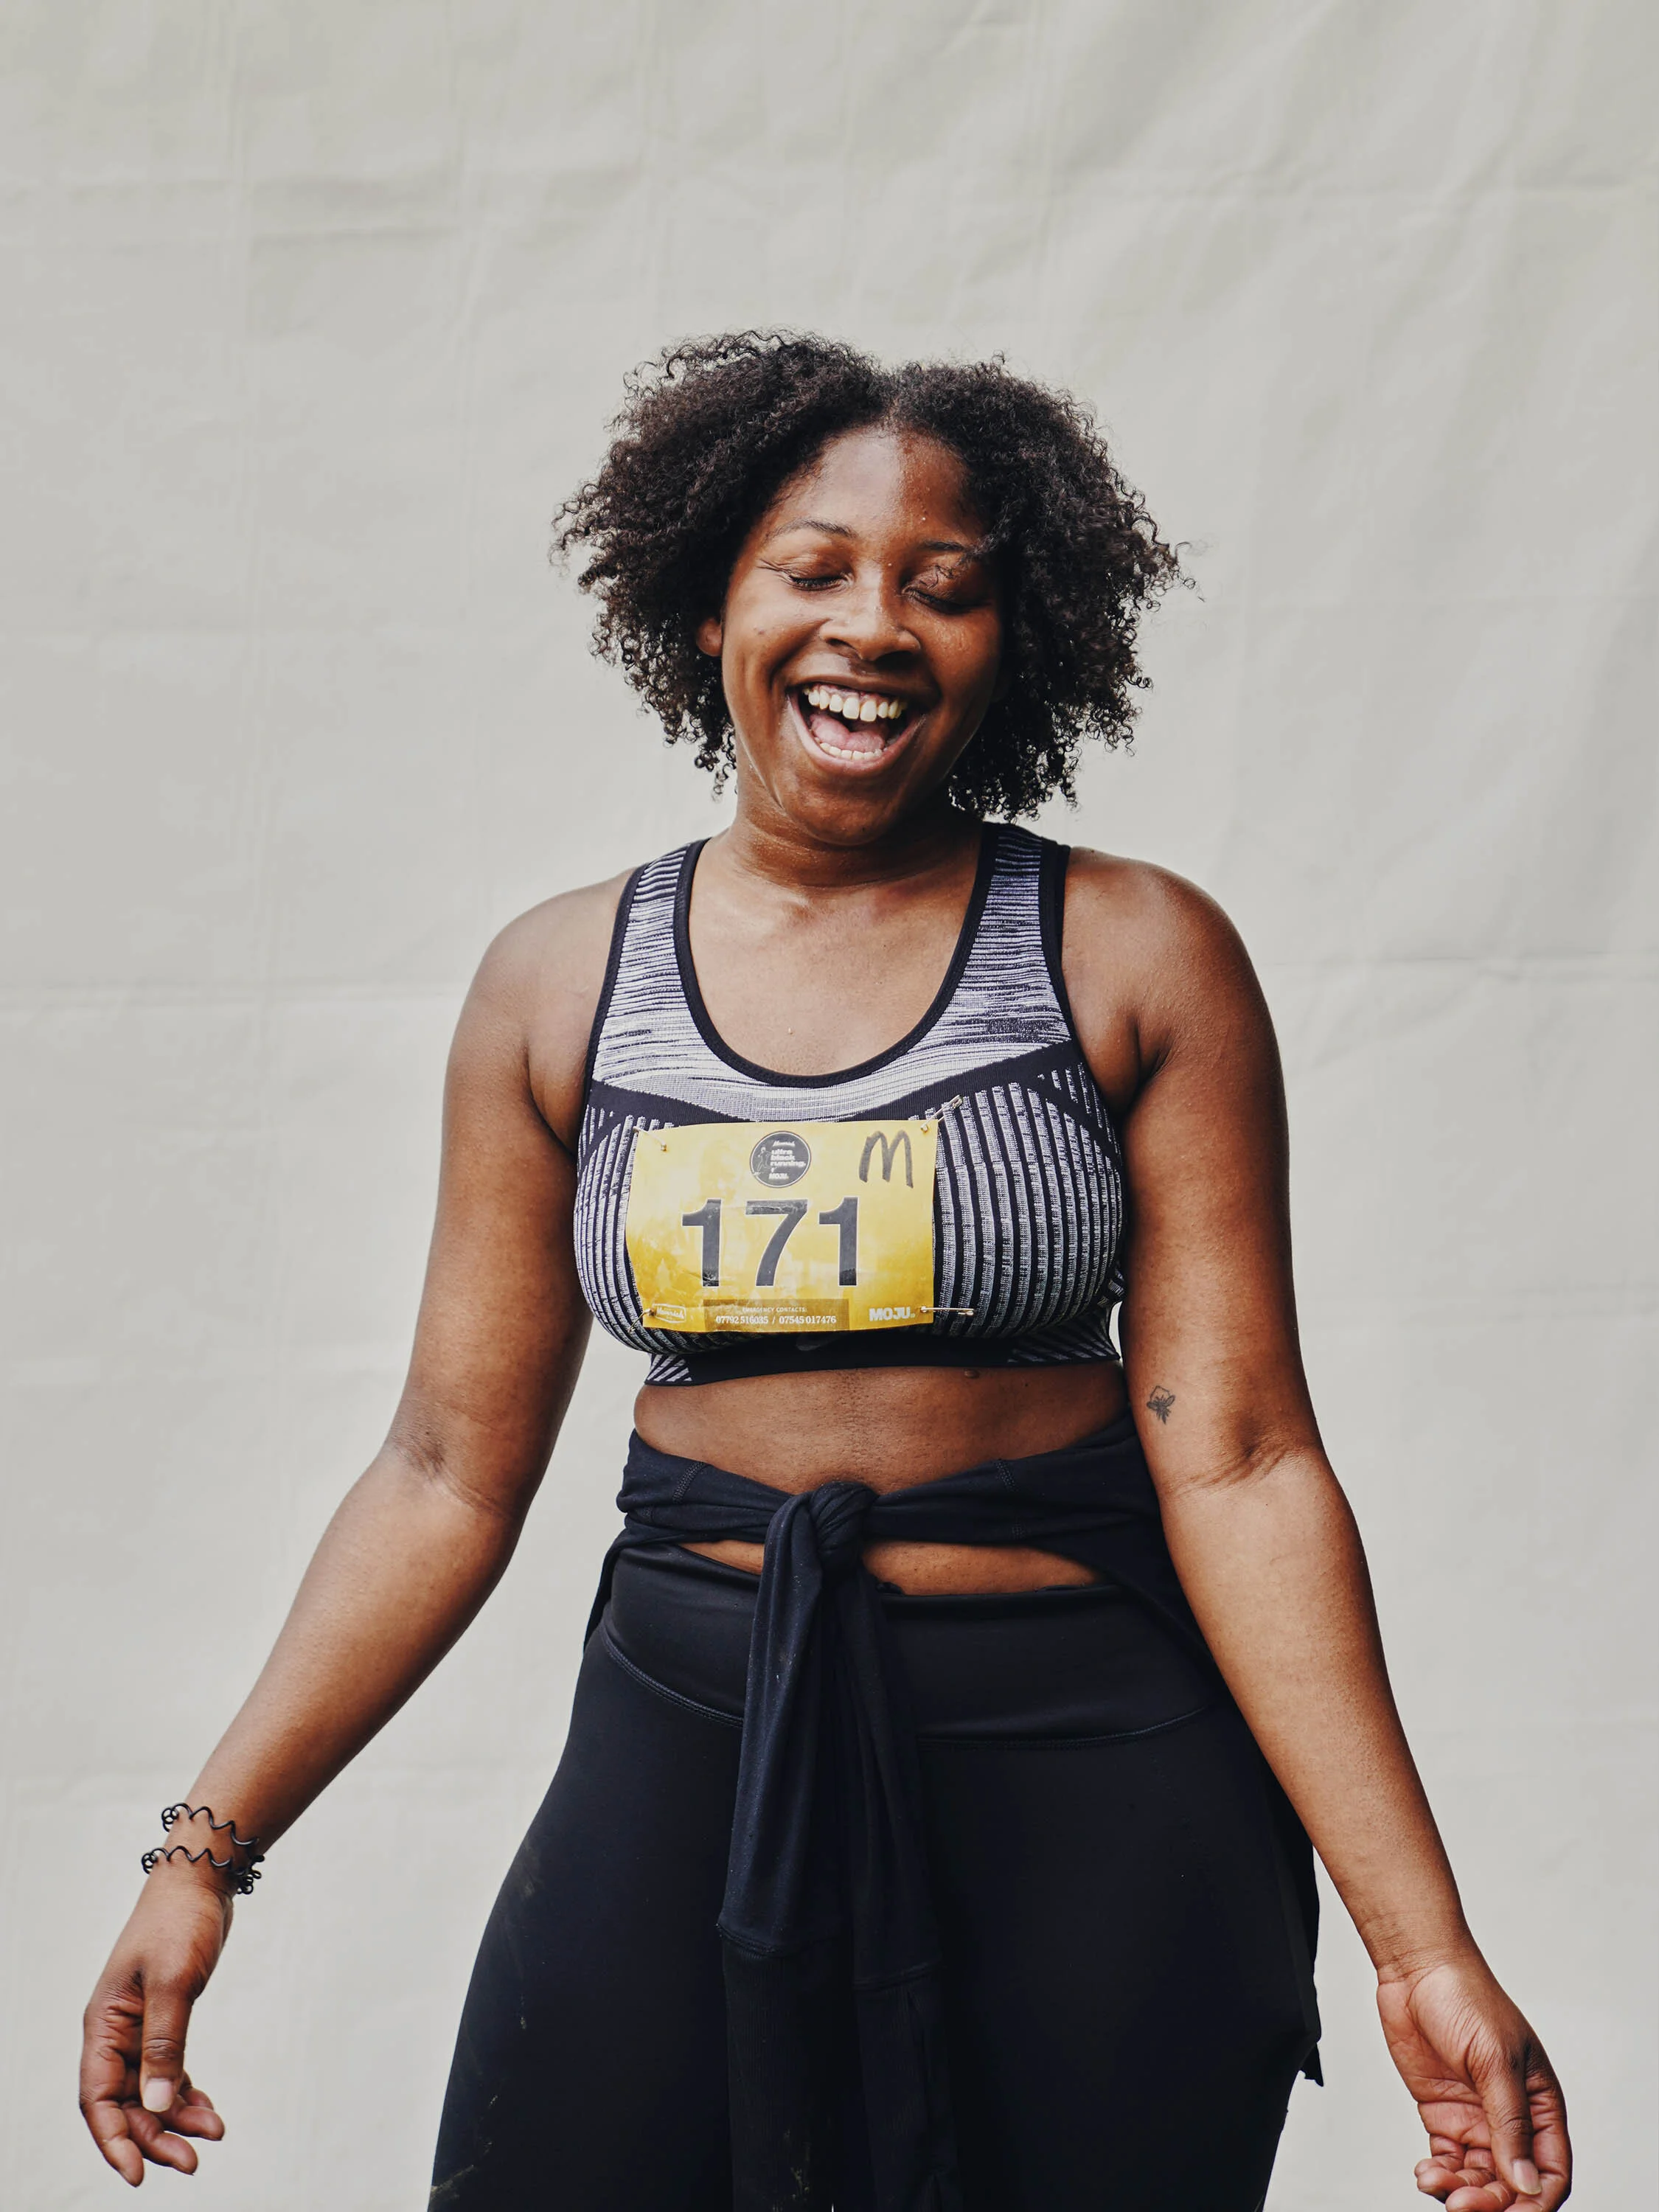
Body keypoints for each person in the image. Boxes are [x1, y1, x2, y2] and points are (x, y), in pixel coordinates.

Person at [80, 333, 1571, 2212]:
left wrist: (1418, 1945)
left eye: (942, 589)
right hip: (696, 1724)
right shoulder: (559, 984)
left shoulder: (1134, 953)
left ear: (1010, 644)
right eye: (815, 568)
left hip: (1096, 1772)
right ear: (709, 606)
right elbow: (446, 1472)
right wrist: (201, 1850)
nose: (873, 625)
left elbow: (1247, 1460)